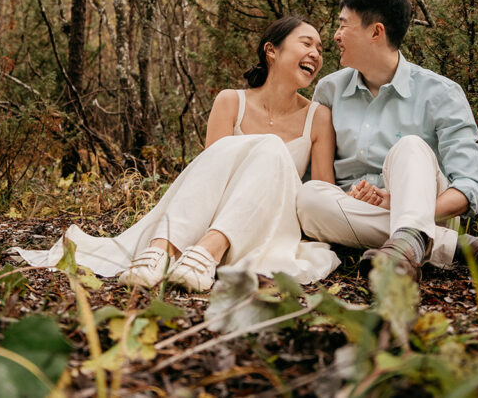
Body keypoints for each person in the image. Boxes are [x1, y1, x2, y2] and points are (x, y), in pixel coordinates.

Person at [17, 16, 340, 291]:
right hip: (209, 217)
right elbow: (209, 175)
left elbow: (320, 196)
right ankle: (162, 251)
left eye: (321, 49)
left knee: (270, 146)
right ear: (272, 50)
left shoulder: (318, 117)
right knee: (247, 149)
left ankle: (207, 254)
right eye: (307, 43)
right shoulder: (231, 101)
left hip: (270, 223)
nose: (316, 54)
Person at [296, 0, 478, 282]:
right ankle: (446, 246)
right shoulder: (329, 90)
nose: (336, 35)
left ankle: (411, 237)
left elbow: (470, 187)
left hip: (426, 209)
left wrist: (401, 204)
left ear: (376, 32)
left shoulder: (441, 93)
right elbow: (320, 179)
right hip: (347, 212)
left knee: (411, 147)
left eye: (344, 25)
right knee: (308, 197)